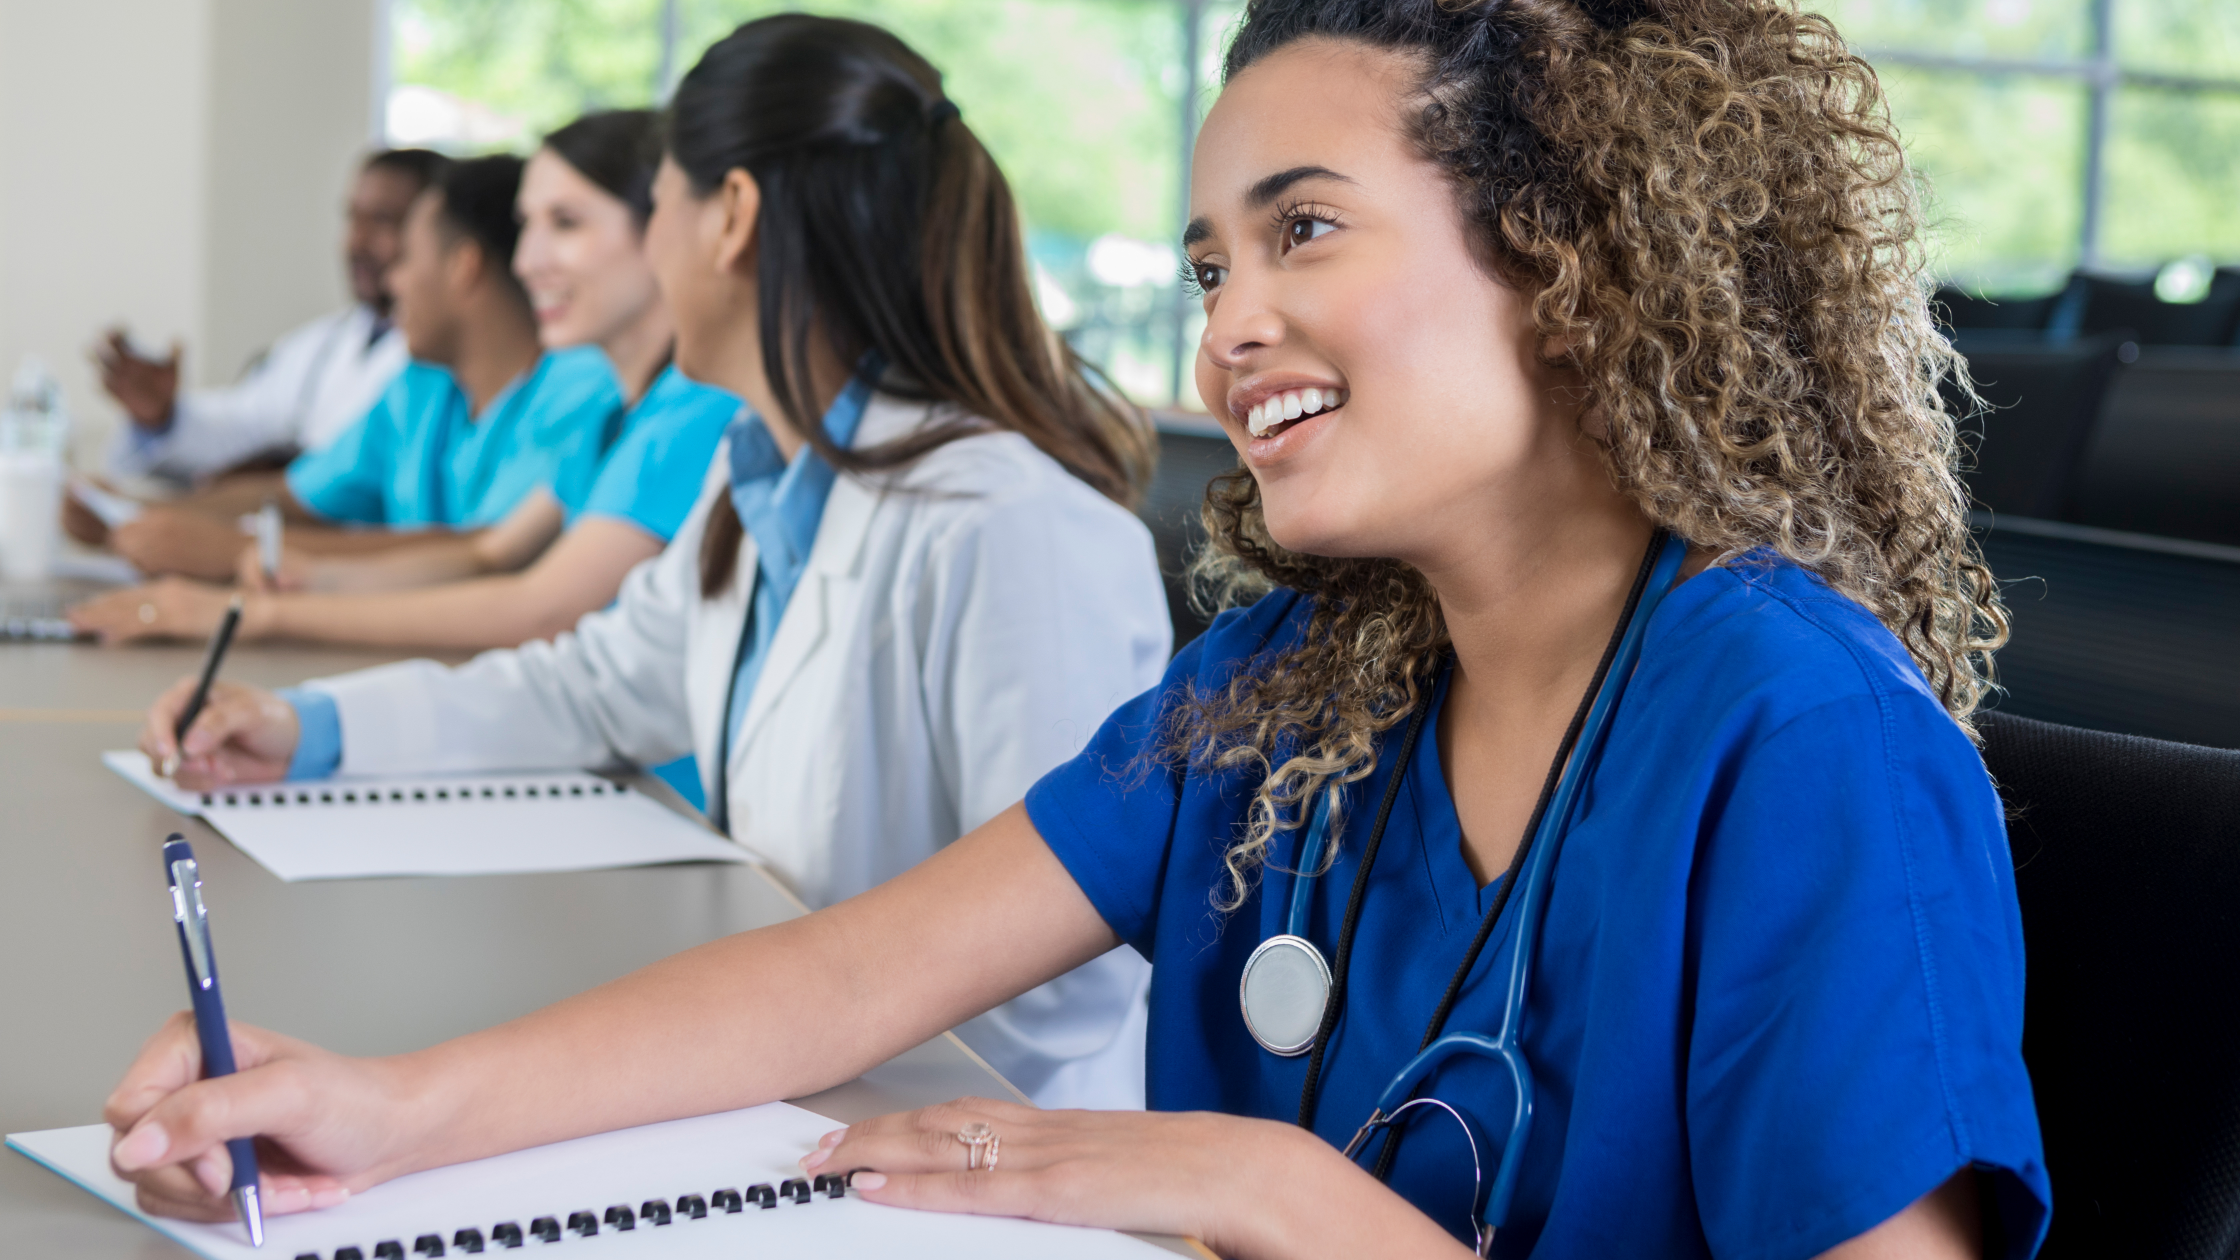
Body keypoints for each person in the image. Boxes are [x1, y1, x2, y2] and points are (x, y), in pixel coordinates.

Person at [105, 2, 2051, 1255]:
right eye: (1209, 260)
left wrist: (1290, 1198)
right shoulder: (1301, 682)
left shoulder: (1798, 735)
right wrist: (384, 1107)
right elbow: (846, 980)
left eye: (1303, 231)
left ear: (1565, 261)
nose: (1229, 325)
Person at [118, 16, 1165, 1109]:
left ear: (732, 219)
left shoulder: (1004, 525)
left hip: (970, 1141)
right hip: (790, 1085)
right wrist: (310, 731)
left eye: (653, 201)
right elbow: (592, 686)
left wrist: (749, 1039)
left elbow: (1061, 986)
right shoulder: (756, 471)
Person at [69, 111, 738, 652]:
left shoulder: (683, 409)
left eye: (565, 223)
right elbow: (492, 550)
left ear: (665, 228)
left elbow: (535, 604)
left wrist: (245, 607)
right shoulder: (619, 410)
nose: (528, 260)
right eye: (529, 226)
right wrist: (294, 574)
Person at [87, 155, 626, 584]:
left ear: (464, 266)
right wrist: (135, 516)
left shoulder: (584, 389)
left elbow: (492, 551)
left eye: (406, 257)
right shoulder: (424, 387)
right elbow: (298, 496)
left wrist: (245, 551)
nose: (392, 283)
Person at [92, 149, 446, 488]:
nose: (356, 242)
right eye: (352, 218)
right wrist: (161, 415)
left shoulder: (448, 356)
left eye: (383, 221)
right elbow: (242, 424)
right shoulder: (325, 342)